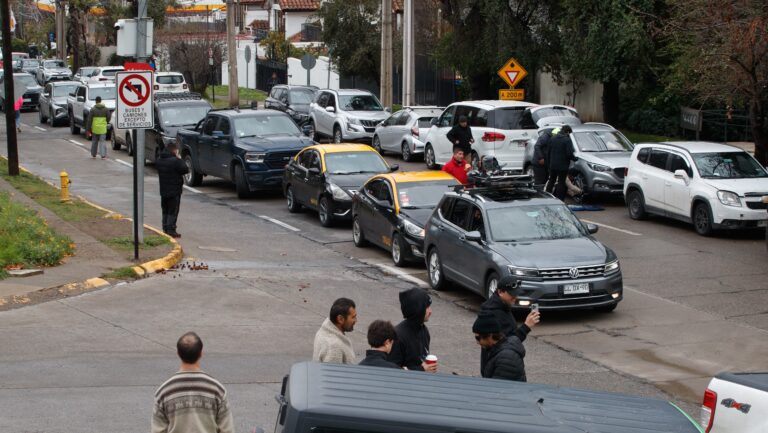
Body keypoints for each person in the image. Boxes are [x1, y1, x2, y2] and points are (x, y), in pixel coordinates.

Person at [152, 332, 235, 433]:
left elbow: (157, 430)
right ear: (200, 353)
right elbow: (227, 430)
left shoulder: (164, 391)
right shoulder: (217, 389)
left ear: (178, 353)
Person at [479, 276, 539, 371]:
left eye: (516, 294)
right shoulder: (493, 314)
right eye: (512, 294)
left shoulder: (503, 306)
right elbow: (508, 343)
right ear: (500, 292)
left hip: (502, 363)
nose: (515, 297)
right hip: (499, 367)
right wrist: (526, 326)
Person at [388, 288, 436, 373]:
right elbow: (392, 371)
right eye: (427, 307)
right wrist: (422, 369)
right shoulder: (398, 336)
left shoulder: (424, 330)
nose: (430, 311)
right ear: (418, 310)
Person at [473, 312, 527, 382]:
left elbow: (497, 388)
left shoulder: (506, 357)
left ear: (490, 336)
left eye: (478, 338)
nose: (477, 342)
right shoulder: (496, 350)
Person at [155, 141, 189, 238]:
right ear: (174, 150)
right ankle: (171, 230)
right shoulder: (175, 161)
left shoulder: (160, 160)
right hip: (174, 190)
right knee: (173, 211)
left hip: (163, 189)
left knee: (165, 210)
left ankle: (165, 228)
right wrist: (179, 158)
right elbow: (185, 169)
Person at [312, 298, 357, 364]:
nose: (356, 320)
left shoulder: (323, 331)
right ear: (340, 319)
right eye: (353, 317)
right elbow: (333, 373)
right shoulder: (334, 347)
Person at [546, 125, 577, 200]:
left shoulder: (553, 138)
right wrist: (575, 159)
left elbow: (548, 152)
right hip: (563, 166)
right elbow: (569, 153)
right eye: (569, 133)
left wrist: (548, 164)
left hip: (553, 165)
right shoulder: (567, 140)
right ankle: (560, 199)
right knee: (561, 182)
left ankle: (547, 196)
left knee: (551, 180)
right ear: (567, 132)